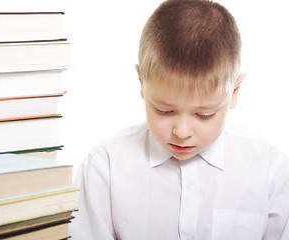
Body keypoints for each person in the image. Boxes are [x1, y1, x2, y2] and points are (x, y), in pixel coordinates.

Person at [69, 0, 289, 239]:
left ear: (234, 92)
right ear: (142, 84)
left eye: (204, 115)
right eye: (164, 111)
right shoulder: (105, 167)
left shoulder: (270, 171)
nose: (182, 132)